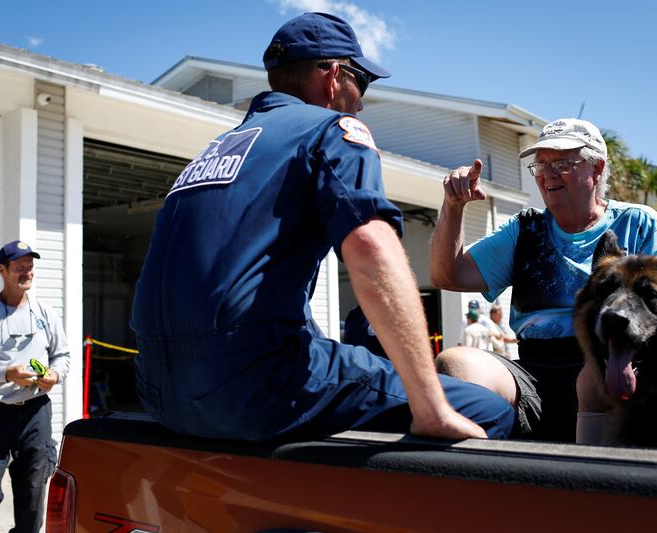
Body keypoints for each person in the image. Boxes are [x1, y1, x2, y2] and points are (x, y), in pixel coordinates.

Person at [130, 12, 515, 443]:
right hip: (254, 387)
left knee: (356, 349)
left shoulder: (212, 154)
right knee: (487, 411)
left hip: (157, 392)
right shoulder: (331, 130)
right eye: (361, 82)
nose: (362, 102)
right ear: (333, 77)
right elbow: (371, 248)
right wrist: (430, 407)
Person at [430, 118, 657, 443]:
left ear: (596, 168)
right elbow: (446, 275)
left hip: (613, 360)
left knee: (592, 378)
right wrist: (453, 208)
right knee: (454, 365)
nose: (547, 173)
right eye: (541, 164)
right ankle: (481, 482)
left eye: (562, 162)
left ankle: (590, 486)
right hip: (533, 368)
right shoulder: (524, 229)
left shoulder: (640, 225)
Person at [0, 240, 70, 533]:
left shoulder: (45, 313)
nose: (27, 272)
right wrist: (6, 374)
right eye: (19, 267)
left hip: (35, 413)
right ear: (2, 270)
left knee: (33, 490)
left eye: (30, 266)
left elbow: (62, 357)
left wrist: (54, 376)